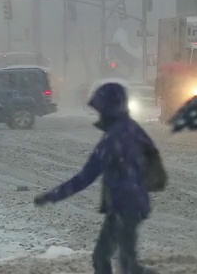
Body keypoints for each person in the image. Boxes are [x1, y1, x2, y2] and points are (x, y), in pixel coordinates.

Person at [34, 82, 165, 274]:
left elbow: (85, 177)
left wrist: (52, 196)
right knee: (114, 260)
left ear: (108, 109)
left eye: (100, 109)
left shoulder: (114, 138)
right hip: (132, 205)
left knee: (116, 262)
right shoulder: (132, 129)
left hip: (124, 207)